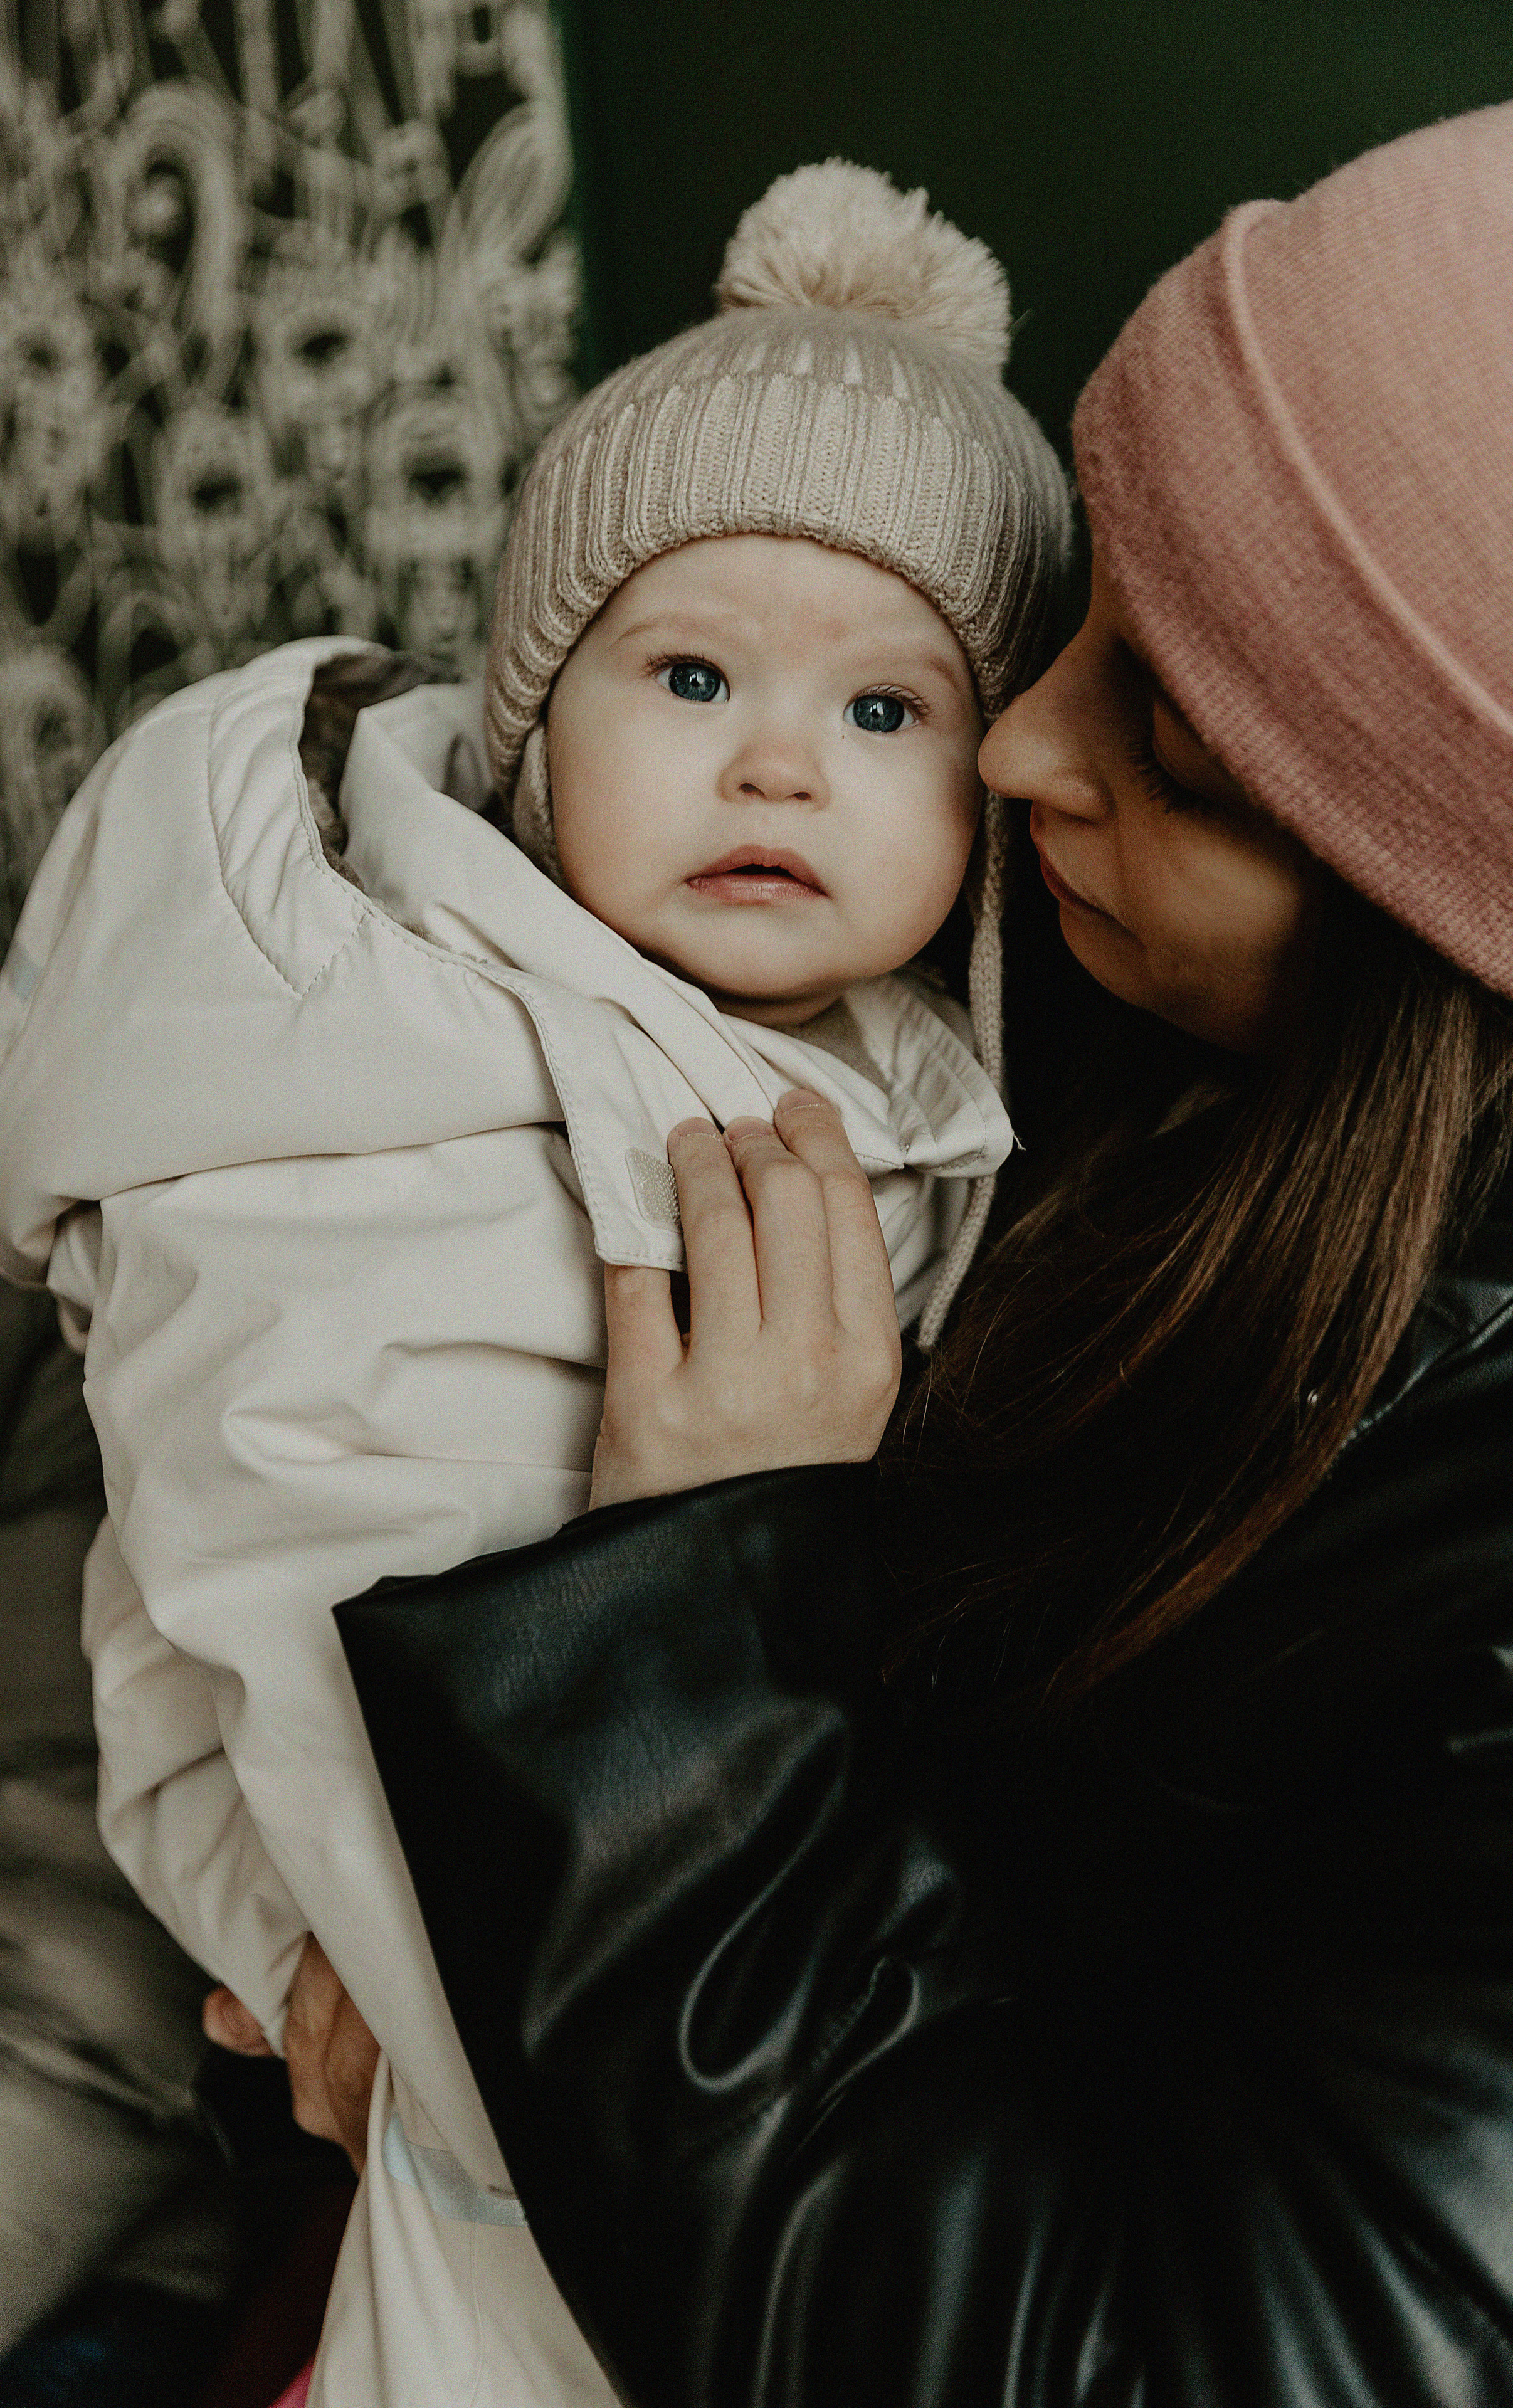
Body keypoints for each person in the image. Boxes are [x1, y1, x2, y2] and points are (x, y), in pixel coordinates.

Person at [336, 80, 1513, 2408]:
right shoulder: (1044, 997)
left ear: (1467, 926)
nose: (1018, 750)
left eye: (1191, 755)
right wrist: (436, 1989)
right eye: (1079, 606)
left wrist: (703, 1632)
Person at [0, 165, 1070, 2407]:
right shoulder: (363, 1063)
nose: (780, 758)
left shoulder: (956, 1117)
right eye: (690, 675)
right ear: (530, 718)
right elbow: (206, 1551)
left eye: (892, 713)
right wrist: (290, 1929)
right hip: (471, 2022)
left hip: (683, 2032)